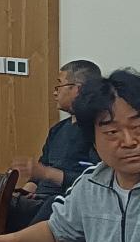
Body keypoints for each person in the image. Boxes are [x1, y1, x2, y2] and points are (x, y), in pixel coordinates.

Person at [0, 69, 140, 242]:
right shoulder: (92, 182)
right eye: (112, 132)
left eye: (138, 128)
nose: (129, 141)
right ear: (93, 141)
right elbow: (57, 233)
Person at [8, 60, 102, 229]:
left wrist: (48, 173)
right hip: (38, 200)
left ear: (78, 89)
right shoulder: (58, 129)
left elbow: (95, 181)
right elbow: (40, 171)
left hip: (64, 203)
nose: (54, 92)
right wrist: (25, 191)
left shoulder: (96, 131)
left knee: (50, 206)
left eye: (59, 85)